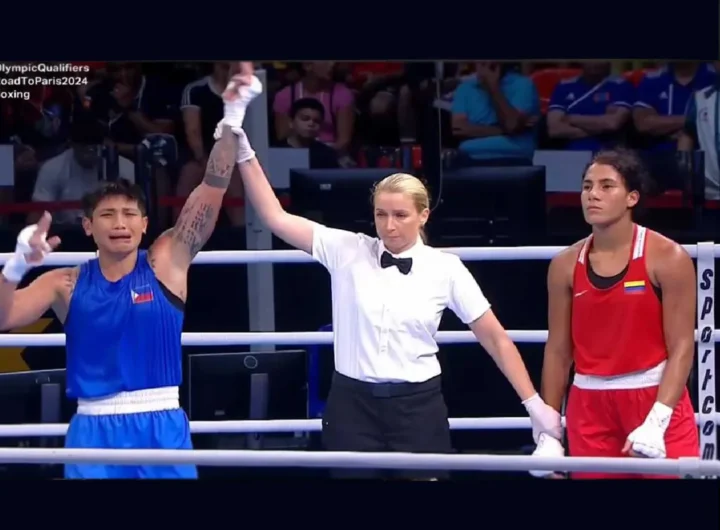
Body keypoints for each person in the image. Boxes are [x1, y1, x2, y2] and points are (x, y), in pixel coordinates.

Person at [220, 73, 561, 480]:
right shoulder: (347, 248)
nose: (389, 225)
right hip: (351, 404)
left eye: (400, 215)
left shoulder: (445, 268)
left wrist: (534, 405)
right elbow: (275, 217)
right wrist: (244, 151)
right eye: (381, 214)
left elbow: (495, 338)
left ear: (423, 215)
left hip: (418, 406)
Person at [0, 62, 262, 479]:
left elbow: (212, 186)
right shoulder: (65, 281)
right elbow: (5, 317)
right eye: (107, 215)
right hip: (92, 429)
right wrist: (14, 267)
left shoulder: (166, 262)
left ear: (144, 224)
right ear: (88, 226)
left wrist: (232, 117)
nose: (119, 223)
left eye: (128, 214)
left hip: (161, 424)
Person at [532, 147, 699, 480]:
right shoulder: (564, 265)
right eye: (587, 186)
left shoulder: (668, 257)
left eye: (606, 186)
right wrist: (549, 432)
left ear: (632, 197)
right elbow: (558, 350)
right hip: (589, 405)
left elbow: (682, 346)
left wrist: (658, 419)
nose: (593, 194)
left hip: (655, 396)